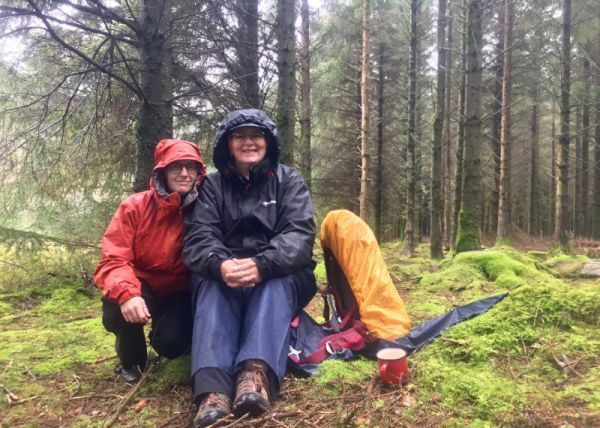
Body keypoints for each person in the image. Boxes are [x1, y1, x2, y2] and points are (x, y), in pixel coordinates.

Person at [183, 109, 317, 427]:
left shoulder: (288, 181)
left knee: (274, 281)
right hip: (226, 272)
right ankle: (212, 391)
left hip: (278, 271)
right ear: (227, 144)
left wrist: (262, 264)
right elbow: (199, 237)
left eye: (256, 136)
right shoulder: (211, 187)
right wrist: (221, 264)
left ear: (268, 142)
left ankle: (254, 376)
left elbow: (299, 235)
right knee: (211, 283)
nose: (248, 142)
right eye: (239, 136)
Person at [94, 139, 206, 384]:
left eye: (191, 167)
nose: (184, 173)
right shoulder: (134, 207)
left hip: (180, 292)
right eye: (177, 167)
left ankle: (168, 341)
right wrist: (128, 294)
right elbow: (112, 259)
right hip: (141, 283)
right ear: (162, 171)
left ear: (199, 172)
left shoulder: (206, 208)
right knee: (117, 308)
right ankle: (132, 362)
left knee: (171, 343)